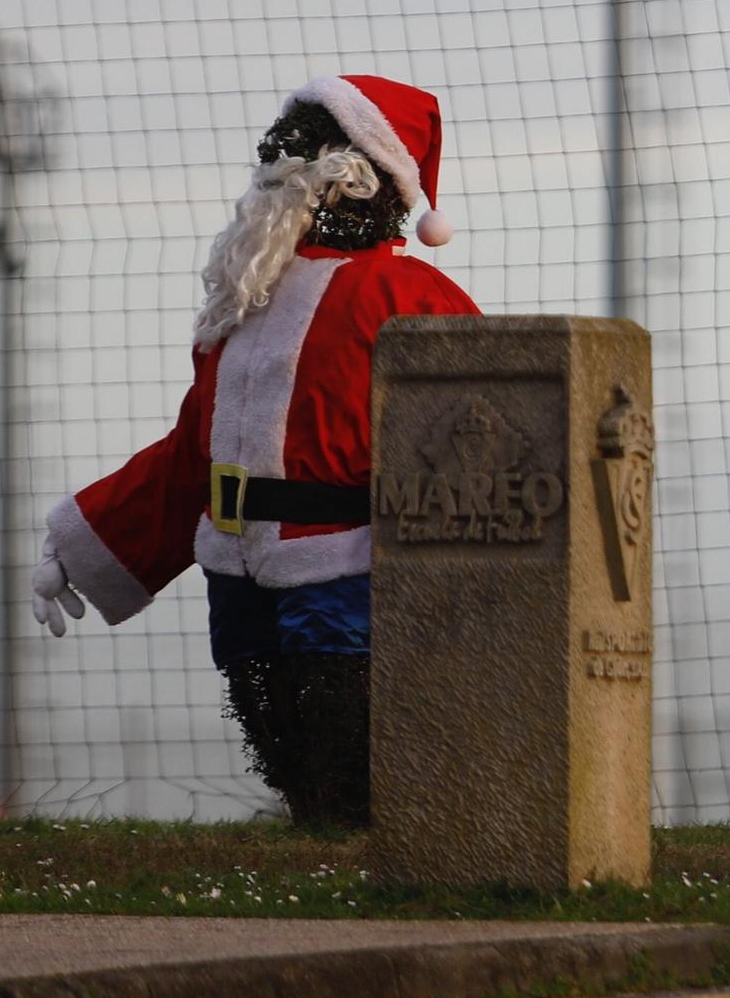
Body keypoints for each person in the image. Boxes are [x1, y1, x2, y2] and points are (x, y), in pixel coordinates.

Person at [30, 74, 479, 828]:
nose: (277, 160)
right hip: (236, 561)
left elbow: (471, 438)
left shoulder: (409, 296)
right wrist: (86, 539)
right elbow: (189, 456)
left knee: (347, 720)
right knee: (273, 720)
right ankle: (320, 826)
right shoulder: (246, 301)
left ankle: (367, 834)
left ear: (356, 174)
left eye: (299, 149)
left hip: (342, 562)